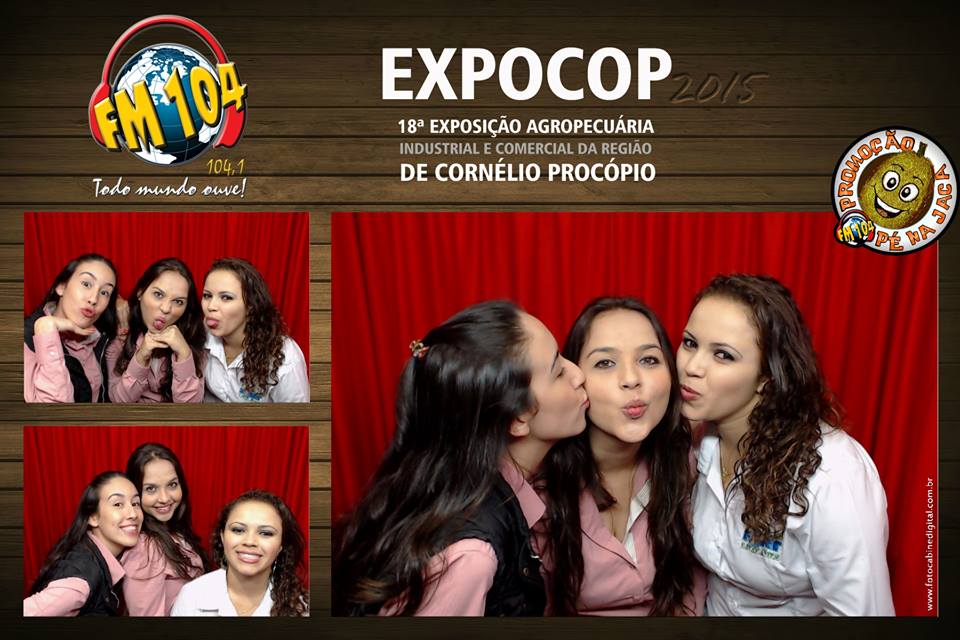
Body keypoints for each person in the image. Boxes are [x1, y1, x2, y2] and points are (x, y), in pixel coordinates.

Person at [333, 300, 589, 616]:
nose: (578, 374)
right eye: (558, 371)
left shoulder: (473, 487)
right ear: (518, 417)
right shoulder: (470, 556)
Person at [678, 274, 895, 615]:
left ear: (766, 376)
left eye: (723, 355)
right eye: (690, 343)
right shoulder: (692, 442)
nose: (691, 366)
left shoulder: (832, 476)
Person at [539, 297, 704, 615]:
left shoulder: (690, 462)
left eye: (649, 360)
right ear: (575, 378)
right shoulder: (540, 482)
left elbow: (691, 593)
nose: (631, 379)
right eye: (605, 363)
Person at [171, 490, 308, 616]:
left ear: (281, 545)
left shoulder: (301, 608)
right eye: (238, 530)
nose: (249, 541)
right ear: (222, 536)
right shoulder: (192, 596)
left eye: (265, 533)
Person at [24, 471, 142, 616]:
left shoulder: (94, 551)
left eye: (135, 503)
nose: (133, 514)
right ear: (93, 517)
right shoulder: (80, 582)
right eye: (118, 504)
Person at [201, 258, 309, 402]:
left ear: (250, 306)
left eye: (226, 297)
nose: (211, 306)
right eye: (207, 296)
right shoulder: (200, 336)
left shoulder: (285, 356)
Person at [122, 443, 211, 615]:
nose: (164, 498)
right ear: (135, 493)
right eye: (151, 489)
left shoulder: (174, 530)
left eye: (172, 485)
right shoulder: (145, 549)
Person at [24, 253, 119, 402]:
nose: (94, 299)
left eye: (104, 292)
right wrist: (46, 327)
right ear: (61, 286)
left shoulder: (103, 337)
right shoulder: (24, 341)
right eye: (86, 284)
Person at [108, 258, 205, 403]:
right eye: (158, 294)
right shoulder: (119, 339)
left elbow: (190, 409)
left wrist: (184, 353)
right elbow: (118, 403)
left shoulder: (195, 339)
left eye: (178, 302)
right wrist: (141, 357)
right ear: (140, 292)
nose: (166, 308)